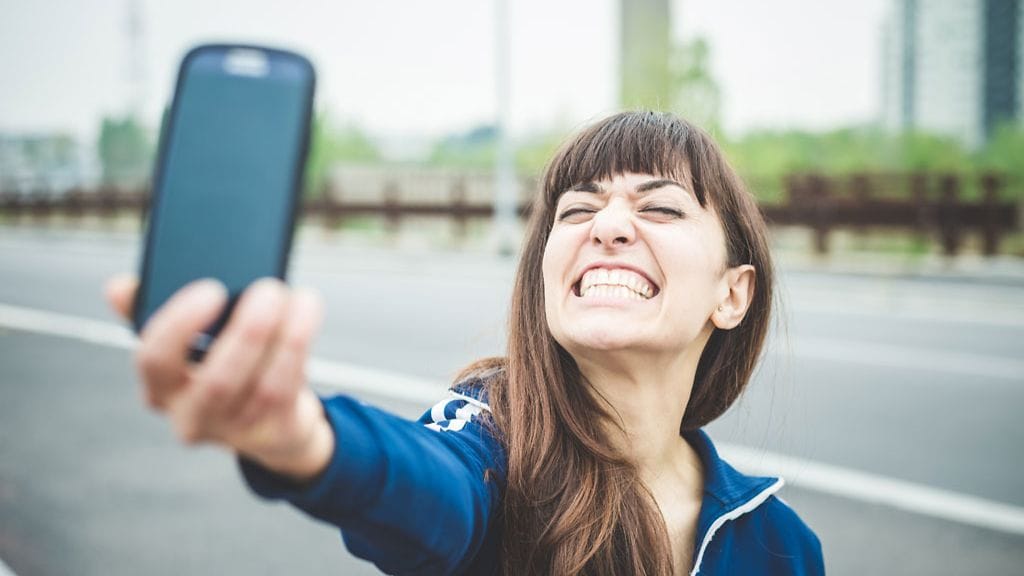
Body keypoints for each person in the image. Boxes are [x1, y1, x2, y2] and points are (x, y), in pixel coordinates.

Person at [106, 110, 824, 575]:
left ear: (733, 294)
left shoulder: (783, 549)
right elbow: (432, 490)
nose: (606, 226)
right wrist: (305, 438)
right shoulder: (490, 439)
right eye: (575, 210)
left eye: (660, 207)